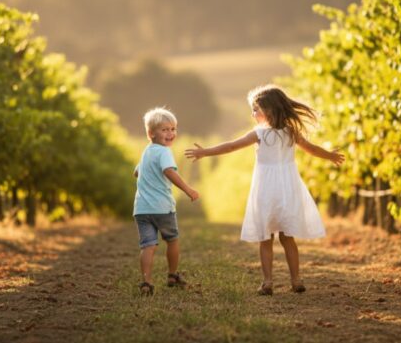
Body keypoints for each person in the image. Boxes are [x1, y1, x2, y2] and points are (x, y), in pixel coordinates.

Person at [185, 85, 344, 295]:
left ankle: (268, 282)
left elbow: (231, 146)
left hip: (266, 188)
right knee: (288, 238)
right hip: (288, 186)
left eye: (255, 109)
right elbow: (312, 149)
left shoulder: (258, 133)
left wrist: (206, 152)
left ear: (268, 110)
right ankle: (296, 280)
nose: (253, 114)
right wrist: (330, 156)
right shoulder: (291, 131)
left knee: (266, 237)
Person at [134, 107, 200, 296]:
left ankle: (146, 282)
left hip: (141, 208)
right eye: (165, 130)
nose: (170, 133)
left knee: (148, 245)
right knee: (172, 240)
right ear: (151, 133)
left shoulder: (147, 151)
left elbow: (136, 172)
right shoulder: (164, 152)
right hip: (162, 208)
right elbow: (169, 172)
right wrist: (188, 189)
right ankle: (172, 275)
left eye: (173, 129)